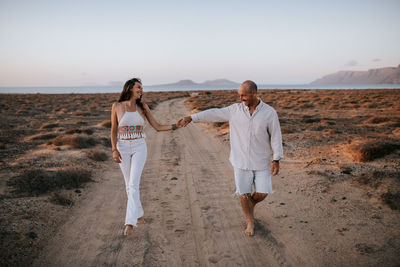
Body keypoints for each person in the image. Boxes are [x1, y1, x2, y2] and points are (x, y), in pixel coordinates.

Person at [178, 80, 283, 236]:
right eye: (239, 95)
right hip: (240, 161)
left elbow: (276, 136)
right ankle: (250, 222)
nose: (240, 99)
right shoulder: (234, 110)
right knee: (244, 194)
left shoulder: (269, 112)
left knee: (263, 192)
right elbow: (213, 113)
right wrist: (192, 118)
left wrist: (276, 159)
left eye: (243, 95)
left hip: (260, 161)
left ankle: (251, 205)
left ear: (254, 93)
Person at [111, 78, 180, 236]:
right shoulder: (117, 106)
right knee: (129, 185)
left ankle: (130, 222)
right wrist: (114, 149)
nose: (141, 90)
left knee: (134, 184)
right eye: (139, 87)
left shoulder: (143, 107)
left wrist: (176, 126)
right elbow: (113, 130)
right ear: (129, 88)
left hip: (139, 147)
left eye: (142, 88)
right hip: (122, 147)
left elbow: (157, 127)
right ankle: (139, 214)